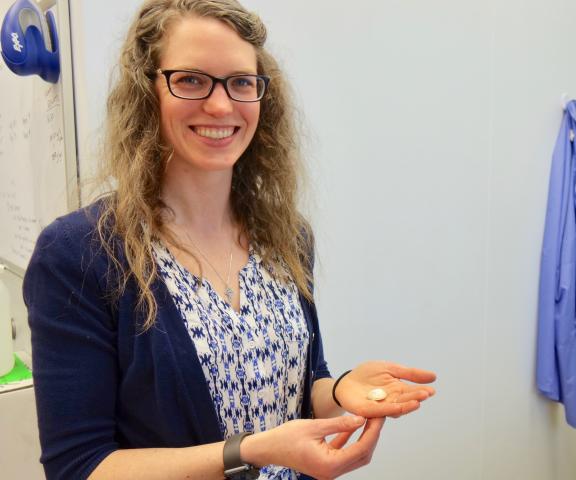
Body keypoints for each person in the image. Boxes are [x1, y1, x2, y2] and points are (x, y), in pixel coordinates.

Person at [22, 1, 436, 479]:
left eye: (241, 82)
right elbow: (79, 466)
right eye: (192, 80)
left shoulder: (286, 236)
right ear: (146, 90)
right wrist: (249, 452)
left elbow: (302, 384)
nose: (221, 105)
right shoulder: (78, 255)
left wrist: (340, 389)